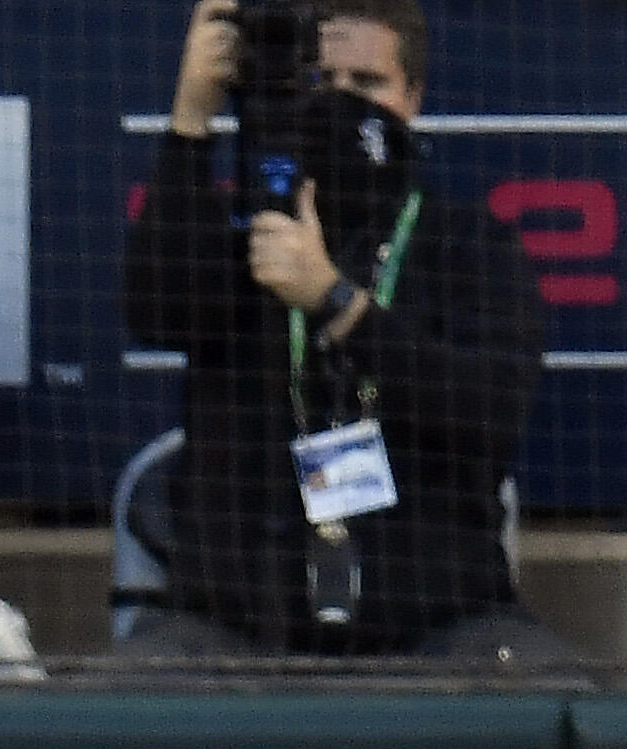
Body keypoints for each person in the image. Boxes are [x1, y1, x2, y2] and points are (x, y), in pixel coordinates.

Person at [120, 1, 564, 667]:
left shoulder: (469, 242)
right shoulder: (244, 235)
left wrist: (336, 304)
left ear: (411, 97)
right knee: (129, 697)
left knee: (539, 683)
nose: (340, 105)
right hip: (233, 628)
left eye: (366, 84)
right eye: (321, 81)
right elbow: (154, 311)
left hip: (436, 625)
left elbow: (488, 408)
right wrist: (190, 123)